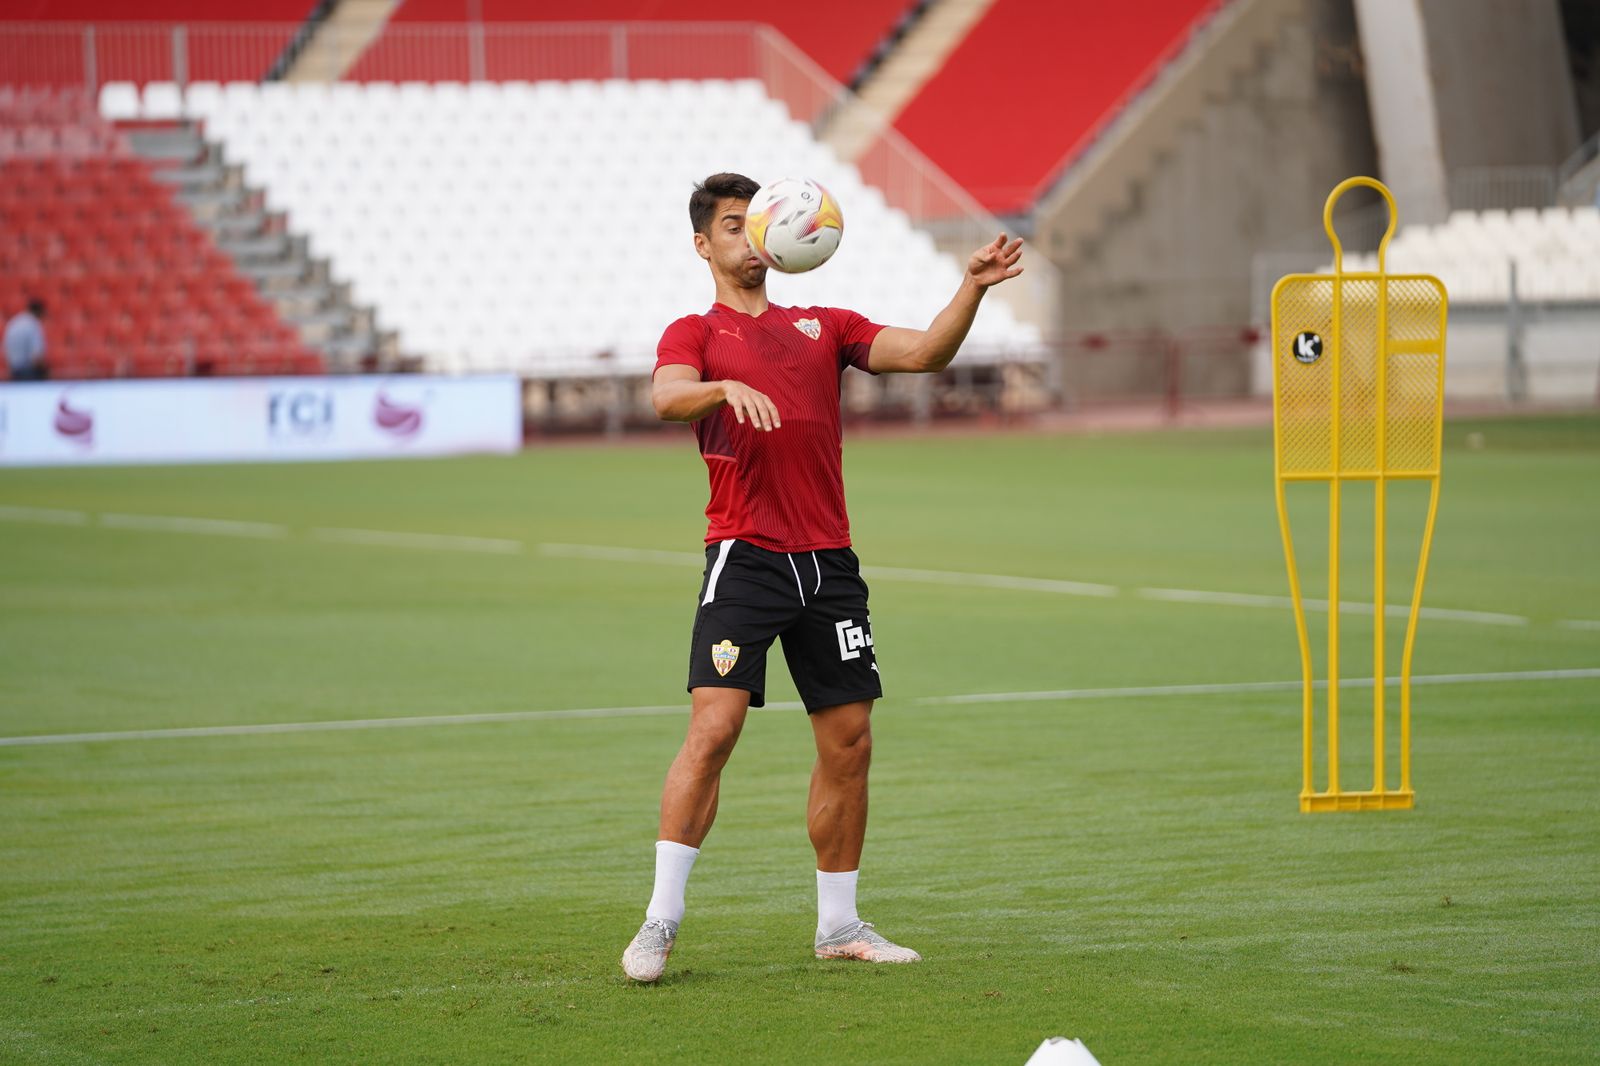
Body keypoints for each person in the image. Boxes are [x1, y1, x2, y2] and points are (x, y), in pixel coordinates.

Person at [620, 173, 1024, 982]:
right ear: (705, 245)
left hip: (830, 566)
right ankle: (659, 922)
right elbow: (665, 397)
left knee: (850, 741)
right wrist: (721, 388)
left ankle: (839, 926)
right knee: (716, 728)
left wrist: (970, 289)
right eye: (733, 226)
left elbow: (924, 352)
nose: (751, 238)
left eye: (755, 222)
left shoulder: (823, 325)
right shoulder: (694, 332)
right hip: (746, 558)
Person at [3, 298, 48, 381]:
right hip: (29, 372)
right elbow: (36, 357)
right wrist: (45, 372)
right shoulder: (33, 324)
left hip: (14, 371)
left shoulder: (14, 322)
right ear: (39, 311)